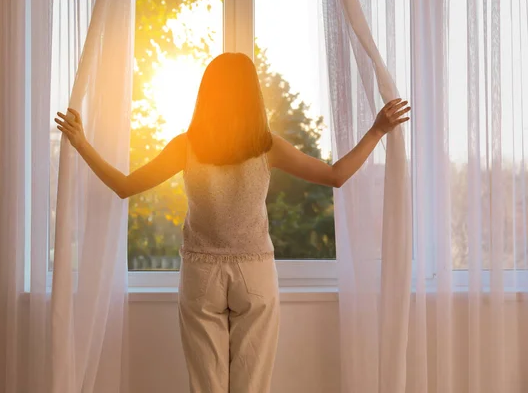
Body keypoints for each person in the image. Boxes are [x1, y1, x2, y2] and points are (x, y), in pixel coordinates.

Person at [54, 52, 410, 393]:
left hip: (200, 273)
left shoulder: (186, 146)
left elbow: (124, 186)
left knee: (206, 386)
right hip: (254, 272)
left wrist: (82, 143)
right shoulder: (267, 146)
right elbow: (336, 175)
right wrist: (377, 130)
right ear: (252, 97)